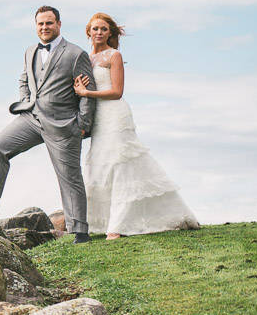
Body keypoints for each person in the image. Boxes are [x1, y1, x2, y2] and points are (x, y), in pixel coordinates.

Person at [0, 6, 96, 243]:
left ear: (59, 24)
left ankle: (80, 231)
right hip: (30, 118)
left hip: (63, 125)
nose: (44, 28)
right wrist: (26, 101)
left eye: (49, 23)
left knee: (69, 177)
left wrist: (82, 124)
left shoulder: (75, 54)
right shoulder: (30, 51)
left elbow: (88, 91)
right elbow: (24, 79)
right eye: (40, 24)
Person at [72, 13, 200, 239]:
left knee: (120, 164)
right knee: (100, 166)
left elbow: (117, 91)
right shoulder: (85, 58)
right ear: (88, 32)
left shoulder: (115, 56)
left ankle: (118, 226)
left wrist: (87, 92)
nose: (99, 33)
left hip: (115, 115)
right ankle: (98, 222)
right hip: (98, 119)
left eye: (103, 29)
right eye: (95, 29)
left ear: (110, 33)